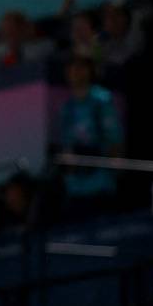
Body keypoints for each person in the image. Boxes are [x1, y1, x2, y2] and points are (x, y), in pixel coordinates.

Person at [58, 56, 124, 220]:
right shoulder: (67, 108)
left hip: (101, 184)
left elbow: (114, 141)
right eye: (71, 68)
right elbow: (65, 146)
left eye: (80, 67)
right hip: (76, 189)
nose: (75, 73)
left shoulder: (101, 100)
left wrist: (114, 169)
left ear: (89, 71)